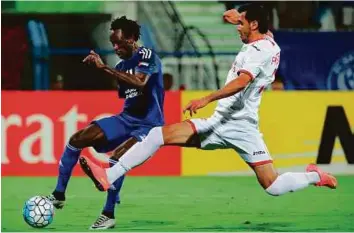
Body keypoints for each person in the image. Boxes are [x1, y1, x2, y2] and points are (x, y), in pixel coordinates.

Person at [79, 4, 337, 199]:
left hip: (238, 125)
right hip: (225, 122)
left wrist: (206, 98)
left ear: (254, 25)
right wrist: (238, 16)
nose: (238, 27)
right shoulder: (269, 42)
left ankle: (315, 176)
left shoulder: (259, 53)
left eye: (242, 24)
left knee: (273, 186)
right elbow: (263, 28)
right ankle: (109, 175)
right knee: (158, 135)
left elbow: (241, 82)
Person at [46, 16, 165, 230]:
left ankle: (108, 214)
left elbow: (140, 82)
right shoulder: (121, 64)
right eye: (113, 43)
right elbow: (129, 93)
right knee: (77, 139)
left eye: (119, 42)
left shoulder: (146, 55)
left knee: (118, 157)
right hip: (126, 119)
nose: (115, 47)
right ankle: (58, 194)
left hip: (149, 125)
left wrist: (104, 69)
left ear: (131, 38)